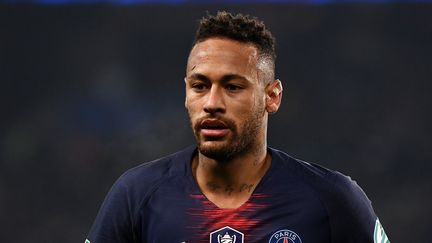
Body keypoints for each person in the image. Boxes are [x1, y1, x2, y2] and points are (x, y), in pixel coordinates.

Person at [85, 11, 389, 243]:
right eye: (200, 86)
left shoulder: (334, 198)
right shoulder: (136, 195)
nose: (212, 103)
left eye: (232, 87)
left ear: (272, 96)